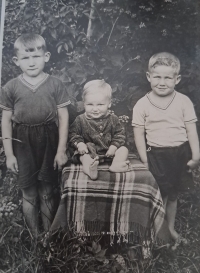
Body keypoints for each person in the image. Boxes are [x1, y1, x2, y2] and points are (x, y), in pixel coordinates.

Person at [0, 34, 70, 237]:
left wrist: (61, 150)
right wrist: (10, 154)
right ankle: (35, 237)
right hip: (22, 142)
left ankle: (49, 235)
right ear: (16, 61)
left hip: (49, 139)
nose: (31, 63)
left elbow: (63, 117)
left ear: (46, 57)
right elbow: (5, 121)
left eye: (36, 57)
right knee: (28, 192)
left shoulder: (55, 84)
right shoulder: (11, 87)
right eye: (25, 58)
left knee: (47, 190)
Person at [132, 52, 199, 246]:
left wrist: (196, 155)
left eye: (168, 77)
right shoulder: (142, 104)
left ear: (176, 79)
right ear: (148, 77)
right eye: (157, 77)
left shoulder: (184, 102)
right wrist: (144, 159)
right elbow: (138, 134)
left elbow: (191, 129)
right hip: (157, 155)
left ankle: (170, 229)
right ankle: (156, 232)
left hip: (180, 153)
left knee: (174, 194)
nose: (162, 82)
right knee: (160, 194)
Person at [69, 79, 130, 180]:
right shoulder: (80, 120)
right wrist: (80, 144)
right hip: (89, 152)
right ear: (84, 104)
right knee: (83, 157)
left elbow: (120, 134)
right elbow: (73, 134)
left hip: (109, 152)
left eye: (100, 105)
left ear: (109, 104)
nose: (95, 109)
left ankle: (116, 164)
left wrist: (114, 146)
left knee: (123, 149)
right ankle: (89, 169)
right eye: (90, 104)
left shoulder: (113, 119)